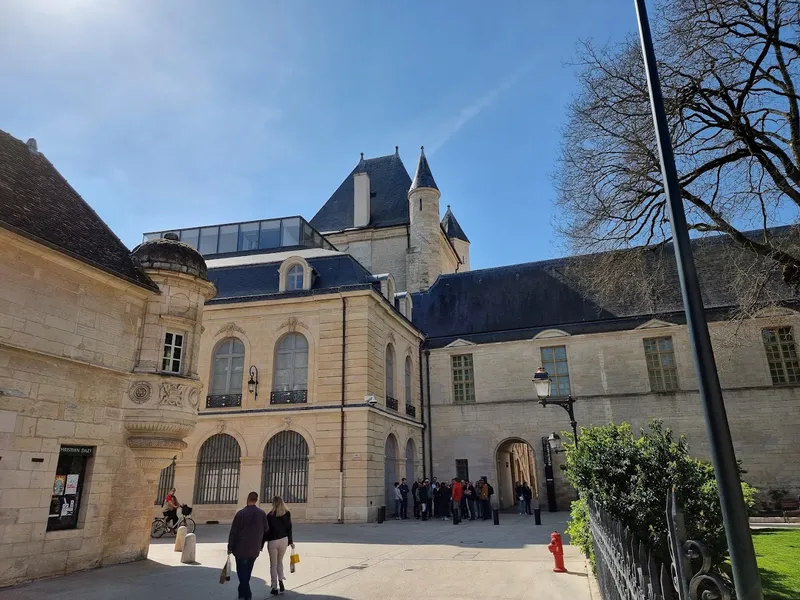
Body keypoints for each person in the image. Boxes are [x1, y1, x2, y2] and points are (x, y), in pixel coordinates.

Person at [227, 491, 269, 600]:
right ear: (256, 500)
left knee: (242, 572)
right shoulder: (262, 514)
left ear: (247, 499)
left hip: (240, 548)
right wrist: (260, 544)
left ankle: (246, 593)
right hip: (254, 548)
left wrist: (230, 546)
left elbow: (234, 532)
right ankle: (242, 593)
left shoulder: (241, 514)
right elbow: (266, 530)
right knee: (248, 572)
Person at [265, 496, 294, 596]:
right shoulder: (287, 513)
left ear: (273, 503)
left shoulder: (269, 515)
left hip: (273, 541)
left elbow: (266, 530)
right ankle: (281, 580)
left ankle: (274, 587)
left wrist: (262, 541)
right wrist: (291, 541)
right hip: (284, 540)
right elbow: (289, 528)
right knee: (280, 561)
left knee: (273, 564)